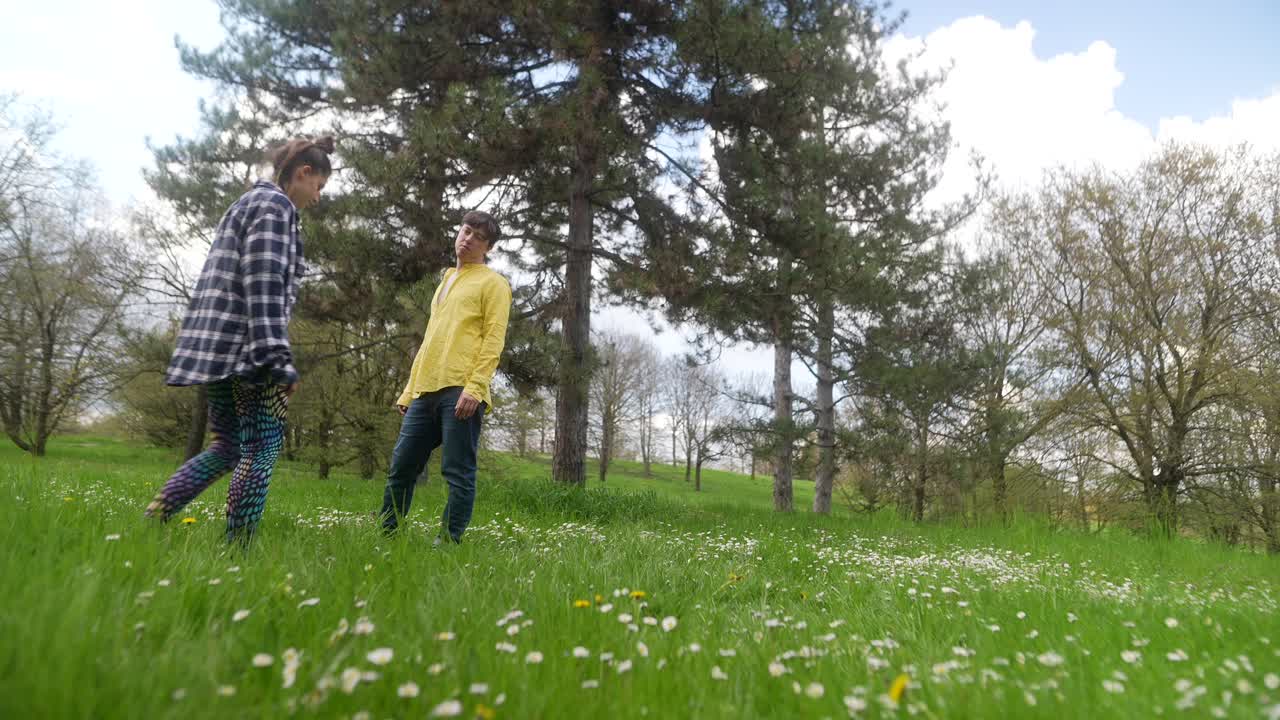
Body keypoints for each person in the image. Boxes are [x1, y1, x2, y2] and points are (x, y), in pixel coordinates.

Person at [144, 136, 333, 544]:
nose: (317, 197)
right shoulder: (276, 207)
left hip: (217, 348)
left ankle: (154, 517)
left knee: (226, 446)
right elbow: (262, 282)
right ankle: (238, 549)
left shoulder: (245, 204)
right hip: (249, 351)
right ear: (302, 174)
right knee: (261, 446)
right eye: (318, 186)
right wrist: (277, 357)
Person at [378, 211, 511, 544]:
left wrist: (476, 387)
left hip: (461, 390)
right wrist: (409, 392)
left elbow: (494, 339)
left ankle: (448, 543)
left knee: (457, 471)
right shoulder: (446, 281)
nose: (468, 239)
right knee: (401, 469)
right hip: (425, 392)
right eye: (466, 231)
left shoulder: (493, 283)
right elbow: (430, 340)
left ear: (488, 248)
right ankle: (387, 535)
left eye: (479, 237)